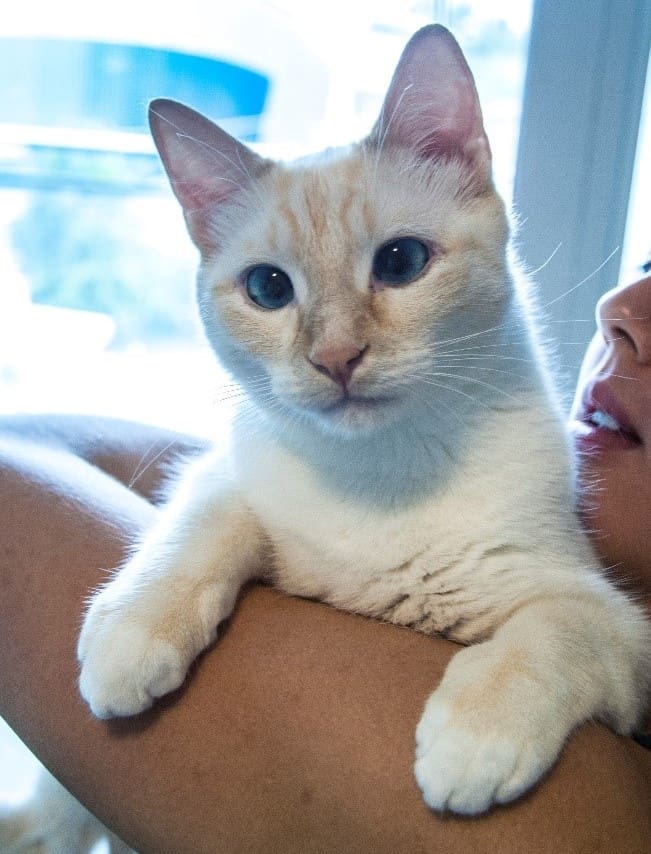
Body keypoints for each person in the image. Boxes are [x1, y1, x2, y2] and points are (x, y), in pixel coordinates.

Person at [0, 270, 649, 853]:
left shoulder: (599, 805)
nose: (619, 307)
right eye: (646, 268)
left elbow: (14, 471)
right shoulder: (470, 484)